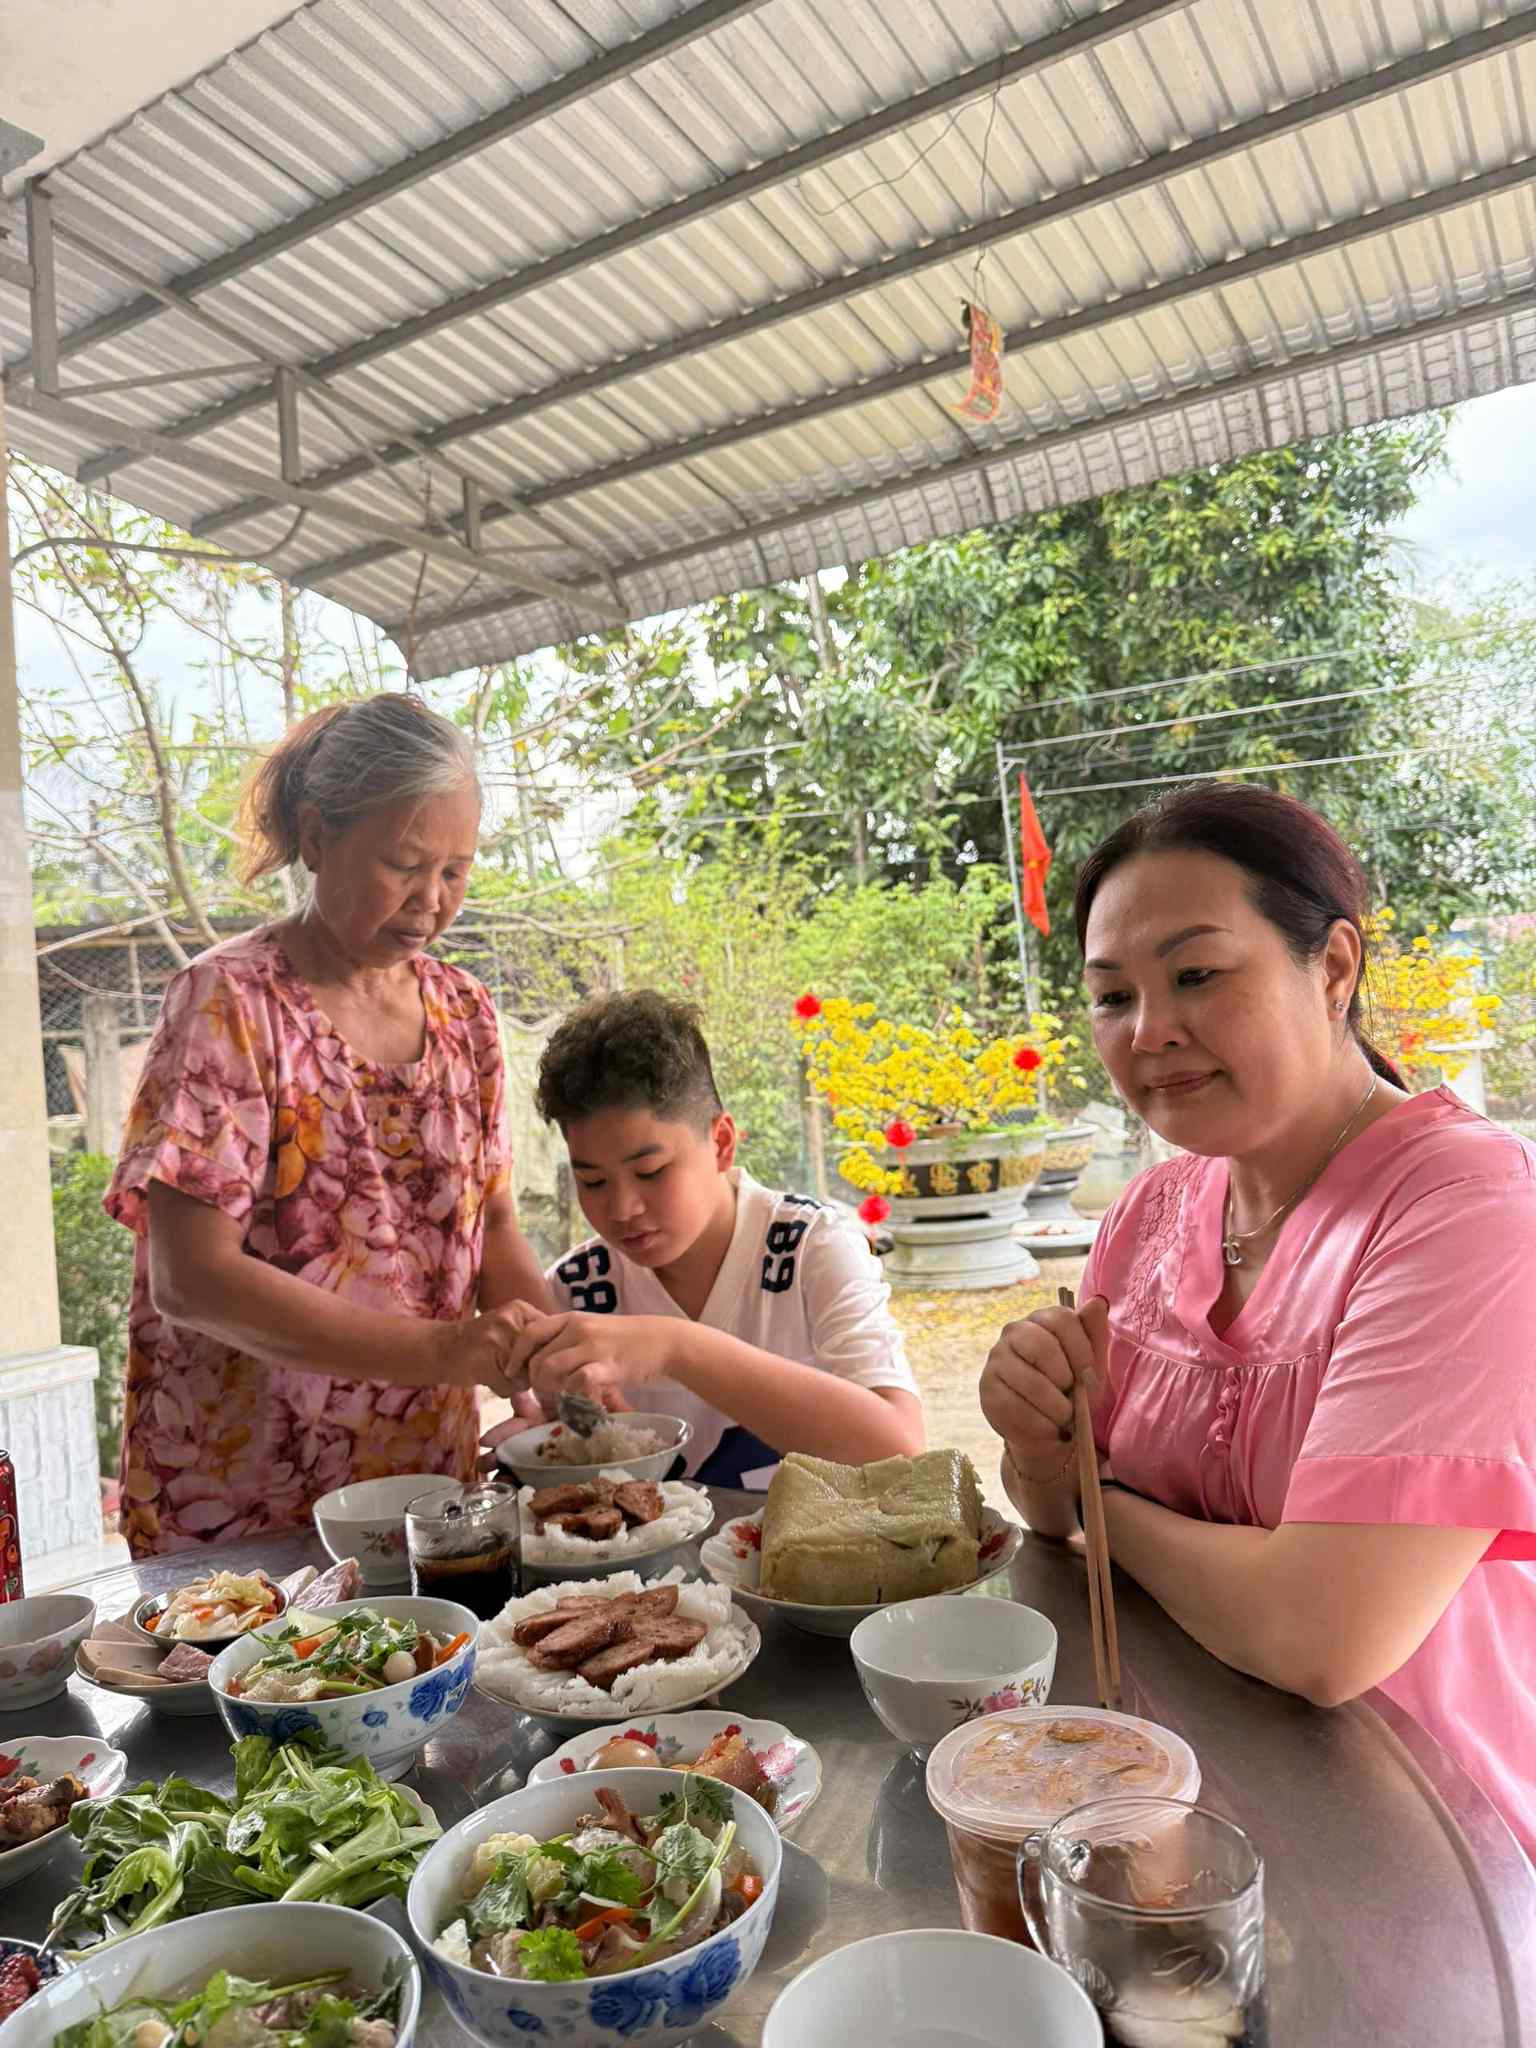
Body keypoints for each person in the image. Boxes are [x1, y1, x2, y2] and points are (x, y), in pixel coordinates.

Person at [979, 783, 1536, 1858]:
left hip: (1427, 1830)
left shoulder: (1467, 1210)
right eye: (1110, 996)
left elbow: (1323, 1633)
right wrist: (1036, 1440)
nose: (1150, 1032)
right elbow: (1047, 1512)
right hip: (1187, 1792)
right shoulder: (1147, 1215)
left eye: (1197, 974)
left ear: (1333, 968)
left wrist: (1103, 1506)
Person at [105, 694, 547, 1556]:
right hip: (245, 1499)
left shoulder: (466, 1012)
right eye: (405, 863)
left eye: (456, 871)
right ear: (315, 838)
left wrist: (553, 1355)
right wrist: (450, 1352)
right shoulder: (230, 1003)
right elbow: (192, 1280)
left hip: (425, 1493)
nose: (432, 900)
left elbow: (490, 1225)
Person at [489, 990, 925, 1487]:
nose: (621, 1209)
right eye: (592, 1182)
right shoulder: (579, 1291)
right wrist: (558, 1441)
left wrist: (674, 1347)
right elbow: (591, 1454)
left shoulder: (812, 1248)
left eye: (650, 1172)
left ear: (720, 1143)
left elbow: (902, 1451)